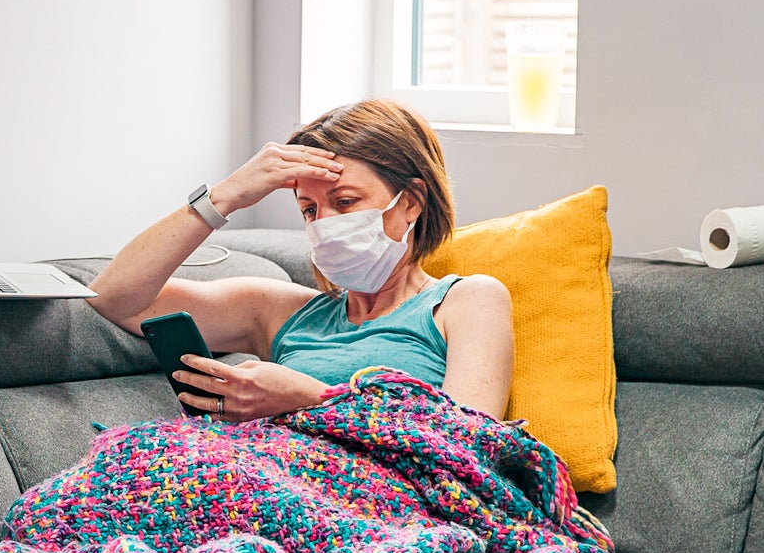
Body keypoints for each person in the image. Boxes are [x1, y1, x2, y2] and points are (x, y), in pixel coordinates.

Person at [87, 99, 514, 422]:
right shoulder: (277, 310)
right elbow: (116, 298)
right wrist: (224, 197)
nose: (324, 224)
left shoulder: (467, 300)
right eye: (309, 210)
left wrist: (312, 398)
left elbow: (468, 446)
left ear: (412, 203)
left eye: (344, 202)